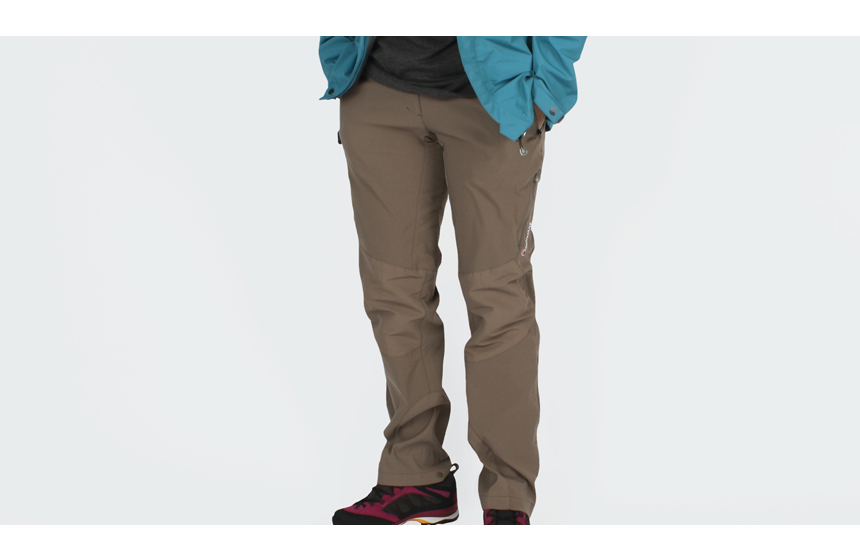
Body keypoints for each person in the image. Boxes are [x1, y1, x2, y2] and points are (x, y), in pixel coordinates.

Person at [318, 36, 586, 525]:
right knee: (394, 295)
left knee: (497, 298)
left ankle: (507, 497)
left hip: (495, 98)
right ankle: (415, 475)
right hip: (376, 88)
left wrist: (544, 90)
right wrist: (339, 51)